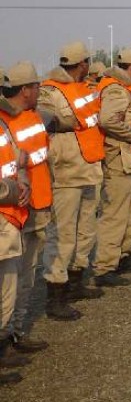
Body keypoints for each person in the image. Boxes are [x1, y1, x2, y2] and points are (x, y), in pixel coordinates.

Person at [39, 43, 105, 321]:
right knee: (63, 234)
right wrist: (67, 122)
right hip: (66, 171)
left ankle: (76, 280)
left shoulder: (85, 88)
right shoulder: (49, 90)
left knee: (86, 229)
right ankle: (56, 294)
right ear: (82, 63)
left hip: (89, 166)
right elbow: (43, 118)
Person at [0, 62, 52, 348]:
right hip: (15, 210)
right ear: (24, 90)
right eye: (35, 86)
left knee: (27, 275)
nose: (39, 91)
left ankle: (16, 331)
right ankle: (7, 336)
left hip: (36, 205)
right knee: (11, 278)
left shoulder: (32, 117)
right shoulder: (5, 122)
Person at [93, 48, 131, 287]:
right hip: (119, 157)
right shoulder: (117, 88)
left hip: (127, 158)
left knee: (127, 212)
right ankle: (104, 267)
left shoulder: (124, 86)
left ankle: (120, 257)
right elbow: (108, 121)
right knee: (115, 214)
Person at [0, 122, 31, 384]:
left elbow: (16, 161)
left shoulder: (2, 126)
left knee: (6, 293)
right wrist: (12, 192)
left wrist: (23, 183)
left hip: (8, 220)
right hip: (5, 213)